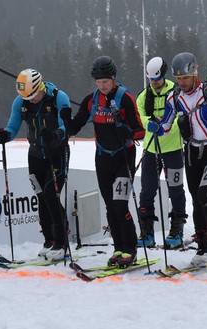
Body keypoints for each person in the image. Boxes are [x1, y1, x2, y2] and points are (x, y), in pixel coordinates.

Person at [148, 52, 207, 266]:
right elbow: (166, 125)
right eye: (178, 79)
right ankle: (203, 243)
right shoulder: (174, 97)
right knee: (196, 199)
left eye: (185, 78)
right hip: (192, 151)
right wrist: (157, 128)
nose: (182, 83)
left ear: (195, 73)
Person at [68, 56, 145, 267]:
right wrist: (63, 125)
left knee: (120, 204)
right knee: (110, 206)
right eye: (98, 82)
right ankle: (118, 247)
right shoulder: (91, 100)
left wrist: (127, 131)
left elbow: (141, 132)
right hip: (102, 158)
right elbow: (75, 125)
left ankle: (131, 249)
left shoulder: (125, 98)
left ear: (113, 79)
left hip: (124, 158)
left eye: (105, 82)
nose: (102, 86)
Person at [0, 69, 71, 260]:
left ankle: (61, 242)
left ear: (40, 86)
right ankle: (49, 241)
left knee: (51, 195)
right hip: (35, 155)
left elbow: (67, 126)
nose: (29, 100)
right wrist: (5, 135)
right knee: (41, 198)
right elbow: (12, 127)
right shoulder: (21, 101)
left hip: (57, 154)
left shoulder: (58, 98)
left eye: (31, 95)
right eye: (25, 97)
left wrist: (56, 135)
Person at [135, 56, 187, 249]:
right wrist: (150, 124)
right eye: (151, 80)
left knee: (176, 189)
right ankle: (147, 232)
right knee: (147, 190)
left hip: (173, 150)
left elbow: (179, 119)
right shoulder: (143, 96)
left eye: (157, 79)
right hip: (151, 150)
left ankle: (177, 230)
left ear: (164, 75)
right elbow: (141, 117)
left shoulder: (176, 93)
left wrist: (163, 126)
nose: (154, 83)